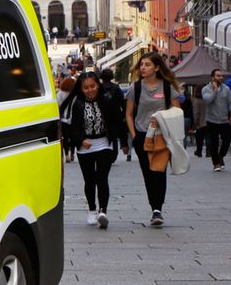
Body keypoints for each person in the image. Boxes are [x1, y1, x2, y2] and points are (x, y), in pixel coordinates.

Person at [124, 50, 183, 227]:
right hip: (142, 135)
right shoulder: (136, 88)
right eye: (142, 64)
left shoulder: (166, 87)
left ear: (157, 68)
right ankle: (153, 206)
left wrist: (162, 117)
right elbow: (128, 114)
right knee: (148, 173)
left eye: (147, 64)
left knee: (159, 171)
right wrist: (134, 135)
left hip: (161, 135)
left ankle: (158, 209)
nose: (143, 67)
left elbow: (177, 111)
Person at [62, 70, 125, 229]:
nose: (90, 90)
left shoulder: (107, 100)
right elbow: (73, 127)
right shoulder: (77, 104)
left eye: (93, 86)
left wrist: (124, 142)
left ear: (98, 84)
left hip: (104, 143)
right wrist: (81, 140)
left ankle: (103, 211)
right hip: (85, 147)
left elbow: (118, 121)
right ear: (81, 89)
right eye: (86, 88)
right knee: (89, 180)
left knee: (102, 178)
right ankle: (91, 209)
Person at [200, 66, 231, 171]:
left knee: (227, 140)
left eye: (221, 76)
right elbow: (208, 100)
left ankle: (221, 156)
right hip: (212, 120)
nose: (221, 77)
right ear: (212, 77)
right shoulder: (206, 89)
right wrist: (214, 90)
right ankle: (216, 163)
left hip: (224, 119)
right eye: (218, 76)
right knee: (213, 142)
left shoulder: (226, 88)